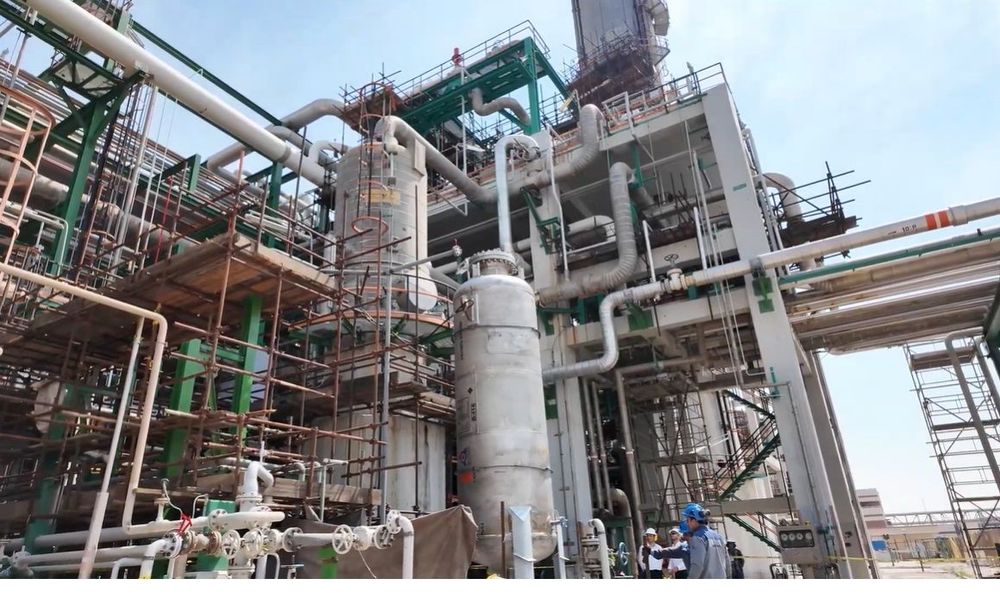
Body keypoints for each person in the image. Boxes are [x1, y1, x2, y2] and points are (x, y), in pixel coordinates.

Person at [682, 502, 731, 579]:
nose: (687, 524)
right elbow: (727, 563)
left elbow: (697, 565)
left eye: (687, 520)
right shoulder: (719, 537)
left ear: (694, 520)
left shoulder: (698, 537)